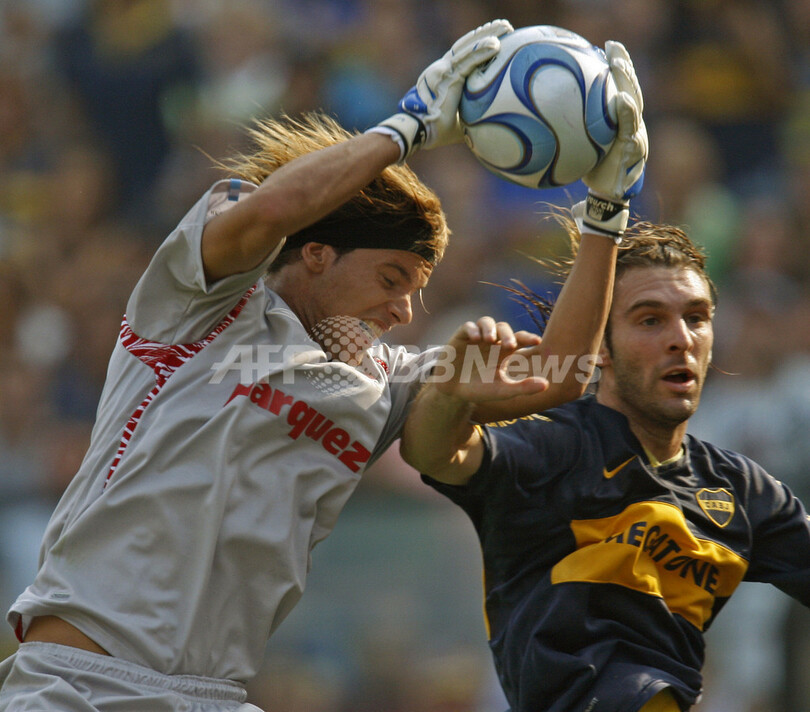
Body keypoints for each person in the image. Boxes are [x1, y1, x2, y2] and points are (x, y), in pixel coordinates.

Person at [0, 18, 648, 712]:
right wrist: (406, 128)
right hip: (80, 682)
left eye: (417, 290)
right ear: (315, 254)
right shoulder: (201, 303)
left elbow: (559, 375)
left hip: (211, 695)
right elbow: (273, 210)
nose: (404, 310)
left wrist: (608, 212)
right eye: (393, 279)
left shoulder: (381, 383)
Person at [400, 217, 810, 712]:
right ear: (600, 349)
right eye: (650, 320)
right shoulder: (556, 447)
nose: (681, 338)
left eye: (696, 317)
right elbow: (433, 453)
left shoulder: (742, 491)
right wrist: (448, 394)